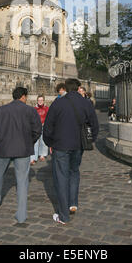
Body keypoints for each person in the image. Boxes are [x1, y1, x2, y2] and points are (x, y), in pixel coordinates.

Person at [43, 78, 99, 224]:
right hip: (78, 145)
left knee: (61, 178)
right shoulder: (85, 103)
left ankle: (63, 215)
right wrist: (90, 140)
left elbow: (48, 126)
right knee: (74, 172)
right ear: (78, 87)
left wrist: (49, 142)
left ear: (66, 88)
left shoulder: (58, 103)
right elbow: (94, 124)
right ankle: (73, 203)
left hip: (61, 145)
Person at [0, 87, 42, 224]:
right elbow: (37, 130)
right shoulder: (30, 111)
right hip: (23, 149)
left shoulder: (2, 110)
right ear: (23, 96)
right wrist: (29, 142)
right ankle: (21, 215)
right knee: (22, 182)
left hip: (4, 148)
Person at [30, 95, 49, 165]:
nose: (40, 101)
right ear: (37, 101)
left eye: (41, 100)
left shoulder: (47, 108)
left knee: (43, 141)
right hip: (36, 127)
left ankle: (42, 154)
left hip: (44, 126)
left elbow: (49, 117)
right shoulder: (34, 109)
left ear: (44, 101)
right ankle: (33, 158)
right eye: (39, 100)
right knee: (35, 142)